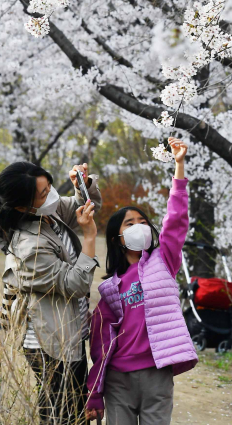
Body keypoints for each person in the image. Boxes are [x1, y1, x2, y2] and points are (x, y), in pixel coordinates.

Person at [86, 138, 198, 425]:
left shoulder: (164, 260)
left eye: (142, 221)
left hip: (156, 373)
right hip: (119, 378)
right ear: (117, 239)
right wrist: (94, 393)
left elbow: (177, 219)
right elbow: (100, 345)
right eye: (129, 223)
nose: (139, 226)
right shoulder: (110, 288)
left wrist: (179, 166)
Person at [0, 160, 101, 425]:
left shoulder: (45, 213)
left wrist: (83, 187)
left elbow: (80, 207)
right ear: (21, 206)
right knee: (63, 415)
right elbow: (76, 284)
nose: (51, 194)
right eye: (43, 193)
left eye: (49, 186)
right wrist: (89, 237)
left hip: (67, 330)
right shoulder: (31, 247)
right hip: (50, 343)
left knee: (73, 411)